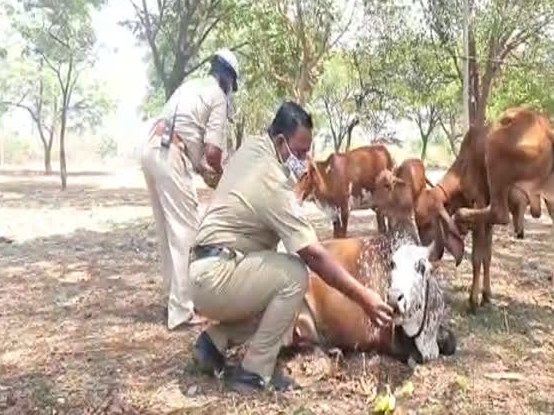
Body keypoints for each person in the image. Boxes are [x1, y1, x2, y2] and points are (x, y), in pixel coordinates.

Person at [188, 101, 394, 393]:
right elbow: (313, 254)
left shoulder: (253, 148)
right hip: (218, 277)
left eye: (308, 151)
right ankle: (253, 373)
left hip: (207, 269)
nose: (305, 159)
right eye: (299, 152)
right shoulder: (272, 180)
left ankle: (213, 344)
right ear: (280, 140)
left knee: (281, 297)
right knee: (295, 276)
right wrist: (365, 298)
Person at [141, 48, 239, 330]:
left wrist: (198, 167)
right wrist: (221, 175)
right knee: (185, 234)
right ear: (228, 80)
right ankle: (183, 311)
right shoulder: (218, 97)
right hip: (172, 155)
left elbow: (187, 137)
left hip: (151, 150)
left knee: (167, 231)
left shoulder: (190, 86)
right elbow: (213, 152)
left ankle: (174, 300)